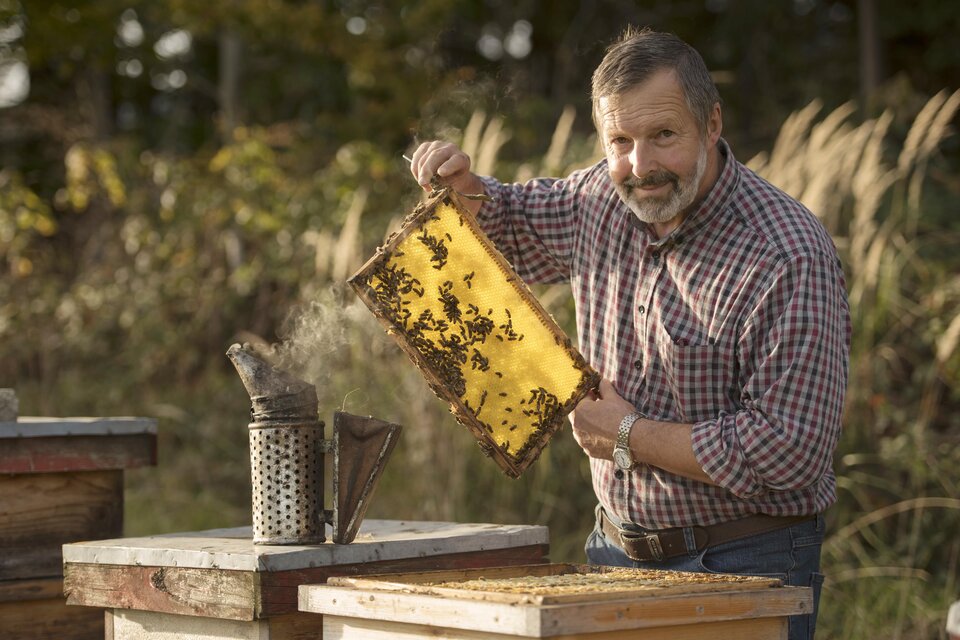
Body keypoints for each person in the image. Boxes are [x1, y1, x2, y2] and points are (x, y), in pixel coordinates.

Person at [410, 26, 849, 640]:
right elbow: (511, 223)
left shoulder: (785, 253)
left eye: (663, 136)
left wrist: (627, 436)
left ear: (712, 125)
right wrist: (468, 194)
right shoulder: (597, 198)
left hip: (747, 564)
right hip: (613, 551)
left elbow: (790, 452)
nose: (640, 167)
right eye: (620, 140)